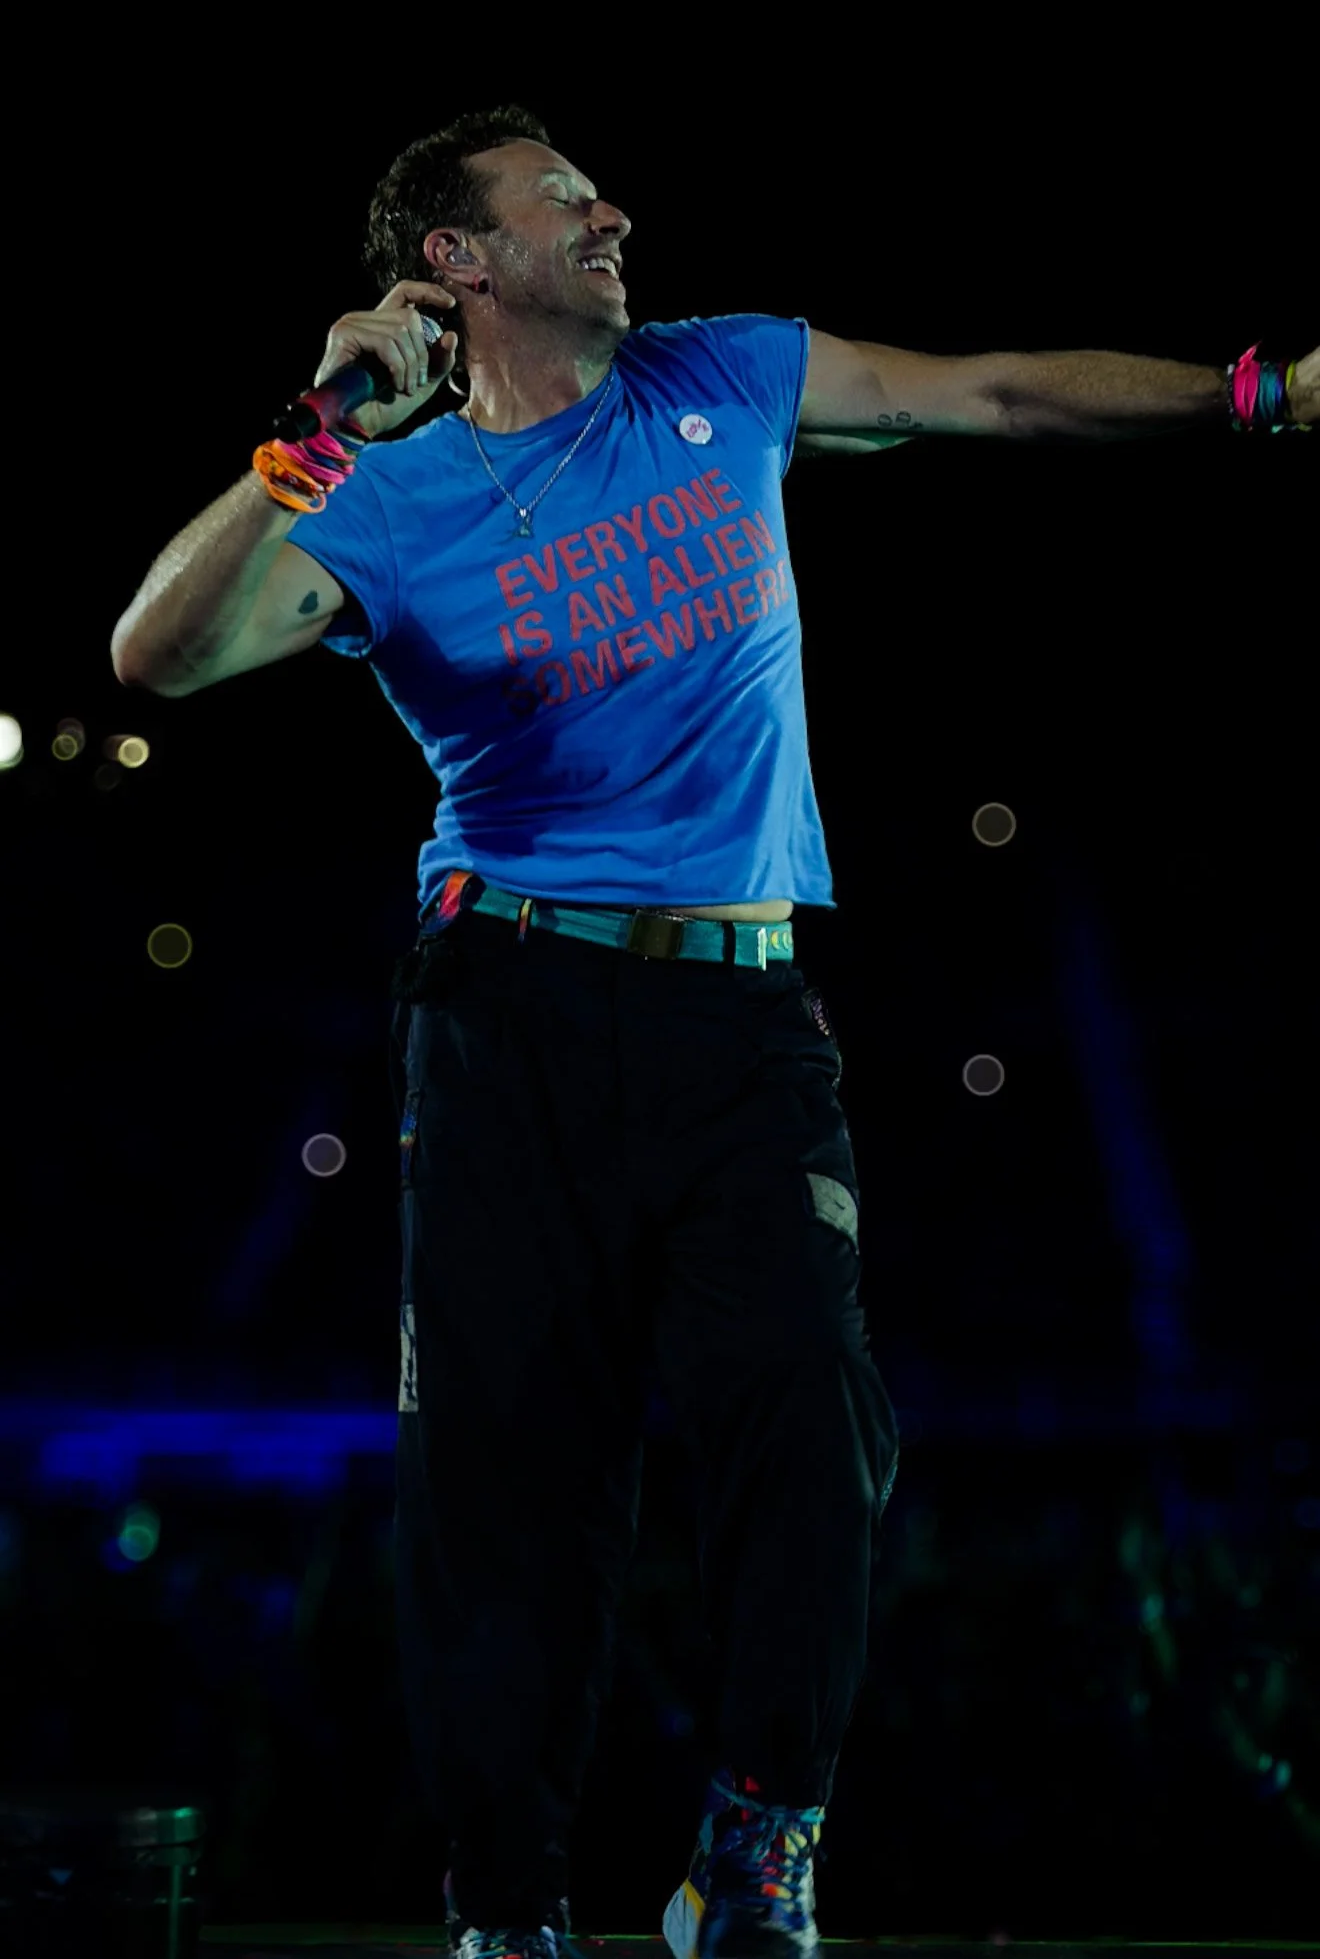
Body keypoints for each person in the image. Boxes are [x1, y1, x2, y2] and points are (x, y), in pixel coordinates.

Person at [109, 107, 1312, 1959]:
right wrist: (323, 422)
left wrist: (1259, 395)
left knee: (816, 1424)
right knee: (510, 1498)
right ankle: (506, 1911)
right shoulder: (382, 491)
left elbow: (987, 392)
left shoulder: (726, 376)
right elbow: (157, 656)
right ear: (457, 262)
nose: (617, 216)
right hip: (504, 1018)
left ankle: (761, 1840)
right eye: (566, 202)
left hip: (744, 1014)